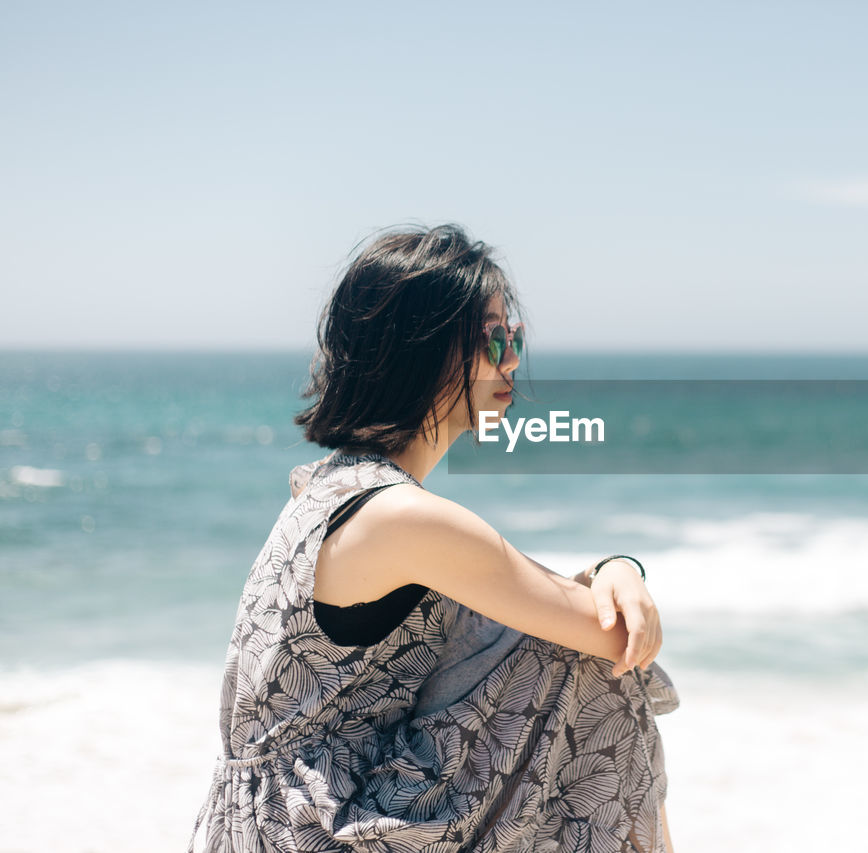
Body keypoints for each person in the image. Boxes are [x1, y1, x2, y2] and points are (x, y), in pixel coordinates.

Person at [189, 224, 678, 853]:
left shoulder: (332, 487)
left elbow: (528, 595)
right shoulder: (404, 517)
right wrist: (620, 570)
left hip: (260, 821)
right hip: (314, 832)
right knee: (590, 667)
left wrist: (614, 567)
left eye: (516, 338)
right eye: (493, 340)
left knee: (536, 639)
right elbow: (614, 634)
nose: (512, 362)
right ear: (422, 348)